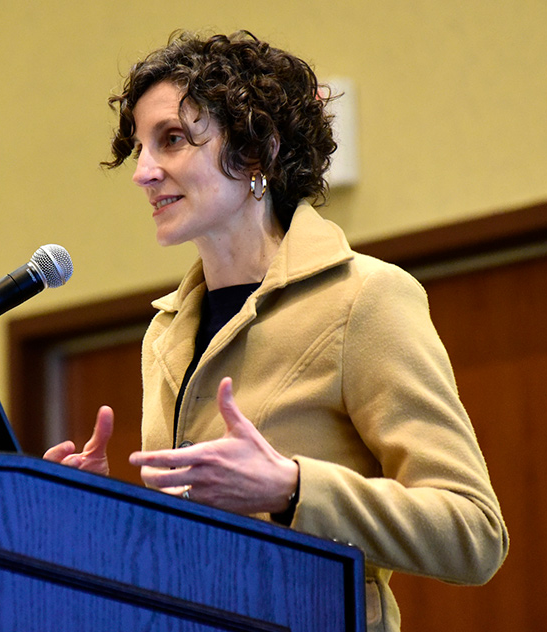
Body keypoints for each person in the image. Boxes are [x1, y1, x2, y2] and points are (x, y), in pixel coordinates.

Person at [44, 30, 508, 632]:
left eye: (173, 140)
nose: (144, 172)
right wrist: (105, 511)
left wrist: (291, 488)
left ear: (257, 152)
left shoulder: (365, 298)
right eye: (139, 148)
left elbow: (473, 535)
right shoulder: (164, 331)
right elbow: (195, 546)